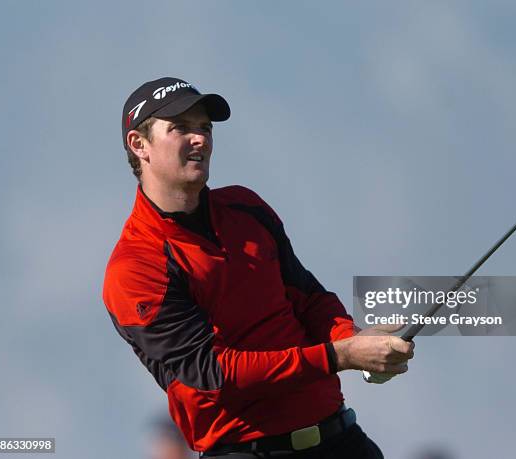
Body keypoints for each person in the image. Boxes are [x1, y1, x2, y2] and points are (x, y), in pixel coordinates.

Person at [103, 77, 415, 458]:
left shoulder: (245, 207)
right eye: (181, 128)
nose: (200, 139)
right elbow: (214, 374)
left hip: (341, 440)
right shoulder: (135, 265)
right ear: (139, 145)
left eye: (205, 128)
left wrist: (352, 336)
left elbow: (308, 299)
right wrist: (341, 355)